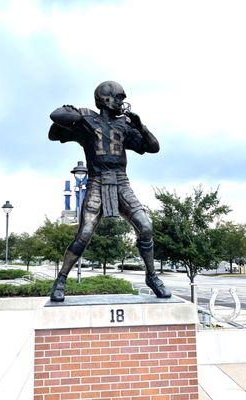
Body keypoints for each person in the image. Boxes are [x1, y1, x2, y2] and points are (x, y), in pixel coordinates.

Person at [47, 81, 171, 302]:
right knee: (84, 233)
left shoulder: (124, 125)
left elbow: (154, 147)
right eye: (119, 97)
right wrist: (72, 114)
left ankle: (152, 277)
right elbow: (55, 129)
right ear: (106, 98)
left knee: (146, 226)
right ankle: (61, 279)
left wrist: (140, 125)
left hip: (121, 182)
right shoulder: (87, 120)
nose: (122, 102)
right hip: (97, 181)